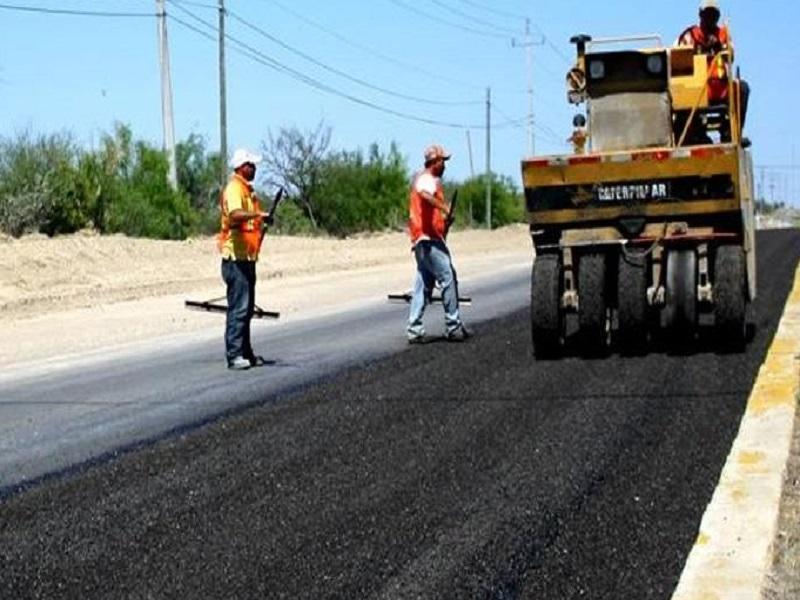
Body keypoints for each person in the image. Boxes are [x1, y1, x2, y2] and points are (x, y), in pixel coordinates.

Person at [406, 144, 471, 343]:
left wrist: (445, 222)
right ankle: (453, 326)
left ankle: (414, 328)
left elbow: (430, 215)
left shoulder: (429, 181)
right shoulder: (427, 179)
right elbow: (426, 196)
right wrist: (444, 207)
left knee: (423, 284)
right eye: (443, 161)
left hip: (423, 241)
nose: (445, 165)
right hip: (428, 242)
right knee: (448, 277)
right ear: (435, 162)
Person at [217, 148, 271, 370]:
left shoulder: (249, 192)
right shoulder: (234, 189)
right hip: (235, 259)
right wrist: (257, 215)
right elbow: (235, 215)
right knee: (239, 308)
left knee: (246, 309)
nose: (255, 168)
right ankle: (235, 355)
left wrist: (262, 221)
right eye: (251, 165)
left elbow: (250, 223)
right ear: (242, 167)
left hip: (247, 258)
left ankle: (246, 353)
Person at [677, 0, 749, 131]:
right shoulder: (690, 35)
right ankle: (687, 132)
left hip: (721, 89)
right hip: (695, 90)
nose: (710, 17)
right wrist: (697, 51)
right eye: (707, 13)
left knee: (742, 88)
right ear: (700, 15)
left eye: (713, 14)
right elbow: (677, 58)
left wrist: (720, 47)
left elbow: (730, 57)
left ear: (718, 16)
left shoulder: (723, 34)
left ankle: (734, 130)